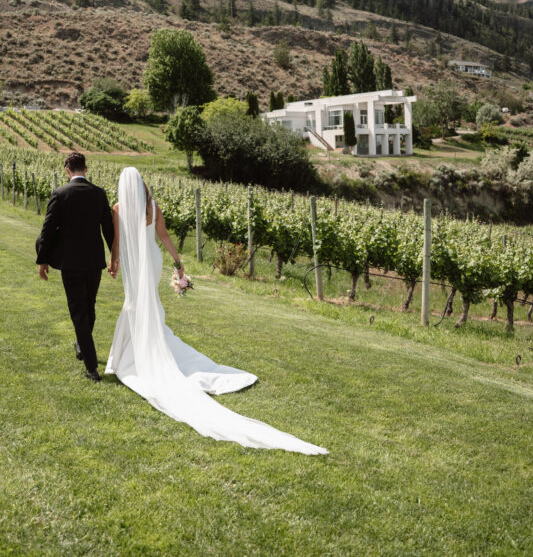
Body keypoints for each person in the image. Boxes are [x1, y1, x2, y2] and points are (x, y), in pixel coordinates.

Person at [105, 167, 327, 454]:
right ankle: (140, 346)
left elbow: (117, 241)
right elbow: (164, 236)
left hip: (134, 264)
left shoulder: (118, 208)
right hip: (152, 262)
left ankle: (129, 356)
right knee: (145, 304)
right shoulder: (153, 207)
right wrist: (178, 263)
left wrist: (114, 262)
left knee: (134, 304)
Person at [35, 152, 114, 381]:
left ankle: (92, 368)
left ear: (67, 170)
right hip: (94, 261)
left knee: (80, 313)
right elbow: (108, 229)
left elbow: (48, 230)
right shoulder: (99, 193)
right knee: (88, 308)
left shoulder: (60, 194)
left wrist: (42, 259)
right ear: (86, 169)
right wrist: (114, 256)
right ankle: (83, 347)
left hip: (70, 262)